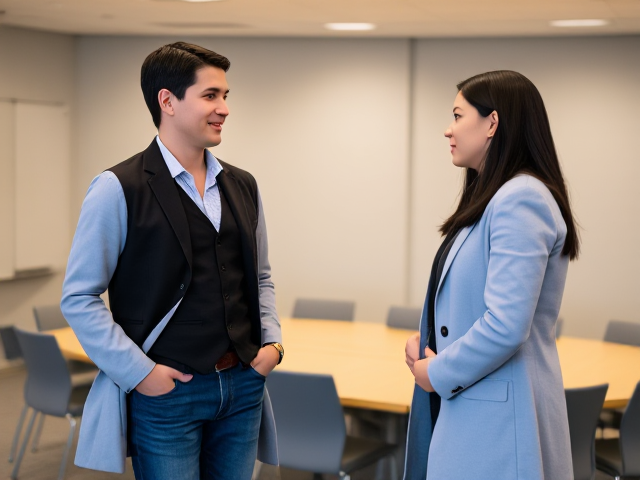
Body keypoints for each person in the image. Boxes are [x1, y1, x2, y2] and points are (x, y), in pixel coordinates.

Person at [61, 42, 283, 480]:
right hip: (166, 393)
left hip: (242, 386)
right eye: (210, 96)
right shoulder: (116, 187)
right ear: (168, 101)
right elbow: (79, 297)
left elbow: (260, 277)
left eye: (225, 96)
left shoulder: (243, 185)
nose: (223, 108)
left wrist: (272, 345)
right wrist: (139, 374)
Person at [404, 70, 578, 480]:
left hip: (499, 420)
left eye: (458, 115)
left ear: (492, 123)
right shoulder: (491, 197)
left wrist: (437, 372)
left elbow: (506, 324)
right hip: (474, 406)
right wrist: (428, 337)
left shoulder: (521, 198)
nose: (448, 130)